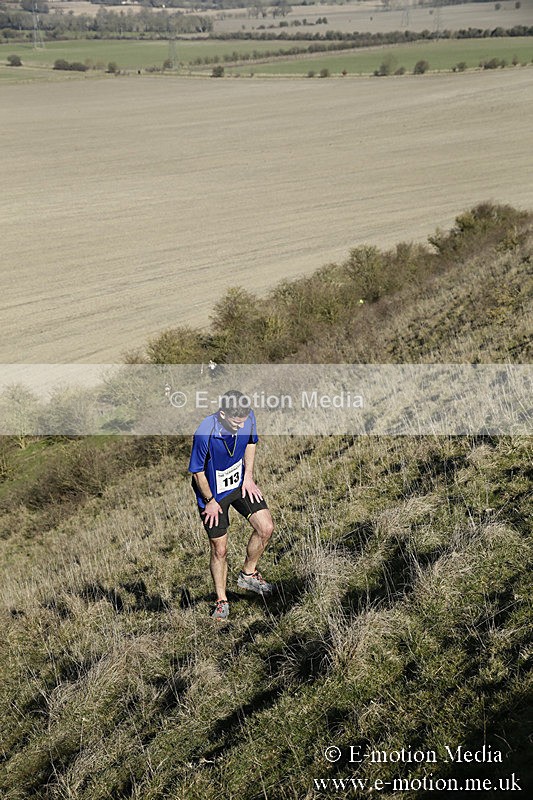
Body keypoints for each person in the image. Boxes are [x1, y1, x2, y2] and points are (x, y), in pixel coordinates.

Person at [188, 390, 274, 620]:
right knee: (220, 549)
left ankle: (248, 574)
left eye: (243, 421)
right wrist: (210, 501)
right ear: (222, 414)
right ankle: (221, 600)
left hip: (239, 484)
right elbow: (197, 472)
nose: (240, 426)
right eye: (236, 422)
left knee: (265, 528)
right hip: (212, 494)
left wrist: (249, 476)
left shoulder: (248, 417)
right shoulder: (205, 432)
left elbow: (251, 443)